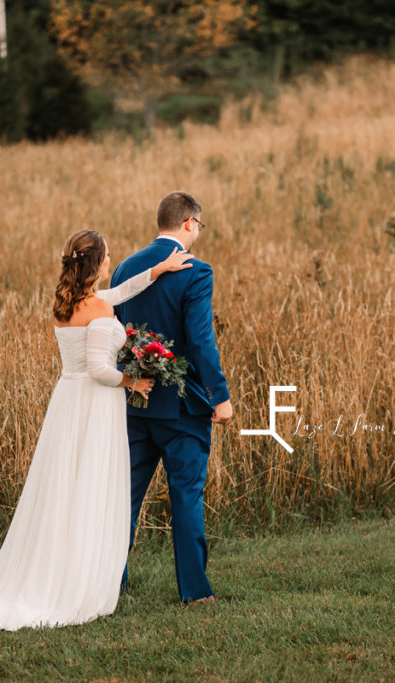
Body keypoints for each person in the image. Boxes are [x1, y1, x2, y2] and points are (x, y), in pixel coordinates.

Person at [0, 229, 192, 631]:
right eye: (107, 257)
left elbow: (121, 291)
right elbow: (100, 370)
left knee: (65, 489)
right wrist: (134, 383)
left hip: (68, 403)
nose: (111, 261)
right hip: (94, 405)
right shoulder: (98, 311)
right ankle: (78, 581)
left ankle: (65, 569)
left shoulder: (70, 304)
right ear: (96, 263)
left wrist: (158, 269)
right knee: (89, 486)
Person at [111, 191, 233, 605]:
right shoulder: (196, 272)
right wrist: (220, 397)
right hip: (181, 408)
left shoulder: (125, 267)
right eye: (199, 225)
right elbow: (201, 341)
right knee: (185, 494)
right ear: (188, 223)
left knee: (124, 497)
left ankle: (110, 584)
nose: (198, 232)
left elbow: (114, 334)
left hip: (133, 403)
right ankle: (195, 593)